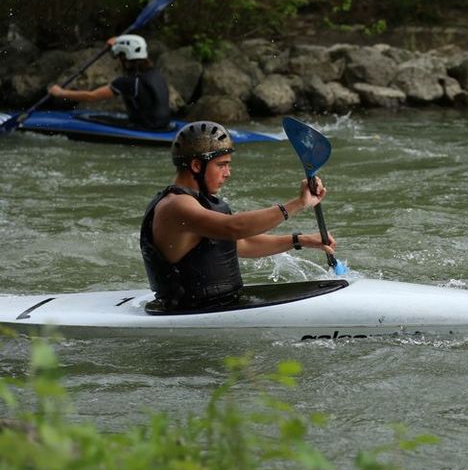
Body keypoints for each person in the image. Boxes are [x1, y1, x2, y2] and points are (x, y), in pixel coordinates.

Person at [140, 120, 336, 311]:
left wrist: (300, 240)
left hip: (219, 305)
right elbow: (233, 228)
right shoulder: (175, 205)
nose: (228, 173)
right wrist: (298, 203)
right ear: (197, 166)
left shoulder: (201, 202)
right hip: (188, 311)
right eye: (221, 165)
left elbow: (243, 244)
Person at [48, 34, 171, 129]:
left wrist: (61, 93)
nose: (117, 60)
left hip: (146, 128)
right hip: (162, 125)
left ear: (125, 56)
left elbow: (91, 96)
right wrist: (119, 42)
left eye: (118, 56)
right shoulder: (154, 72)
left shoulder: (127, 82)